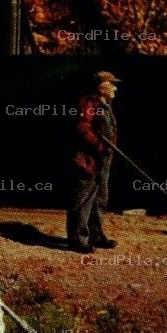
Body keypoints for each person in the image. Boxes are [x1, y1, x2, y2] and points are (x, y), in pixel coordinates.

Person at [68, 69, 119, 252]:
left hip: (104, 160)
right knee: (83, 199)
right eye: (111, 84)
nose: (114, 88)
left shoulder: (105, 103)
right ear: (101, 86)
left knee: (100, 198)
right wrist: (99, 145)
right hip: (88, 159)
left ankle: (96, 235)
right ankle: (78, 239)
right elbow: (82, 128)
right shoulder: (89, 103)